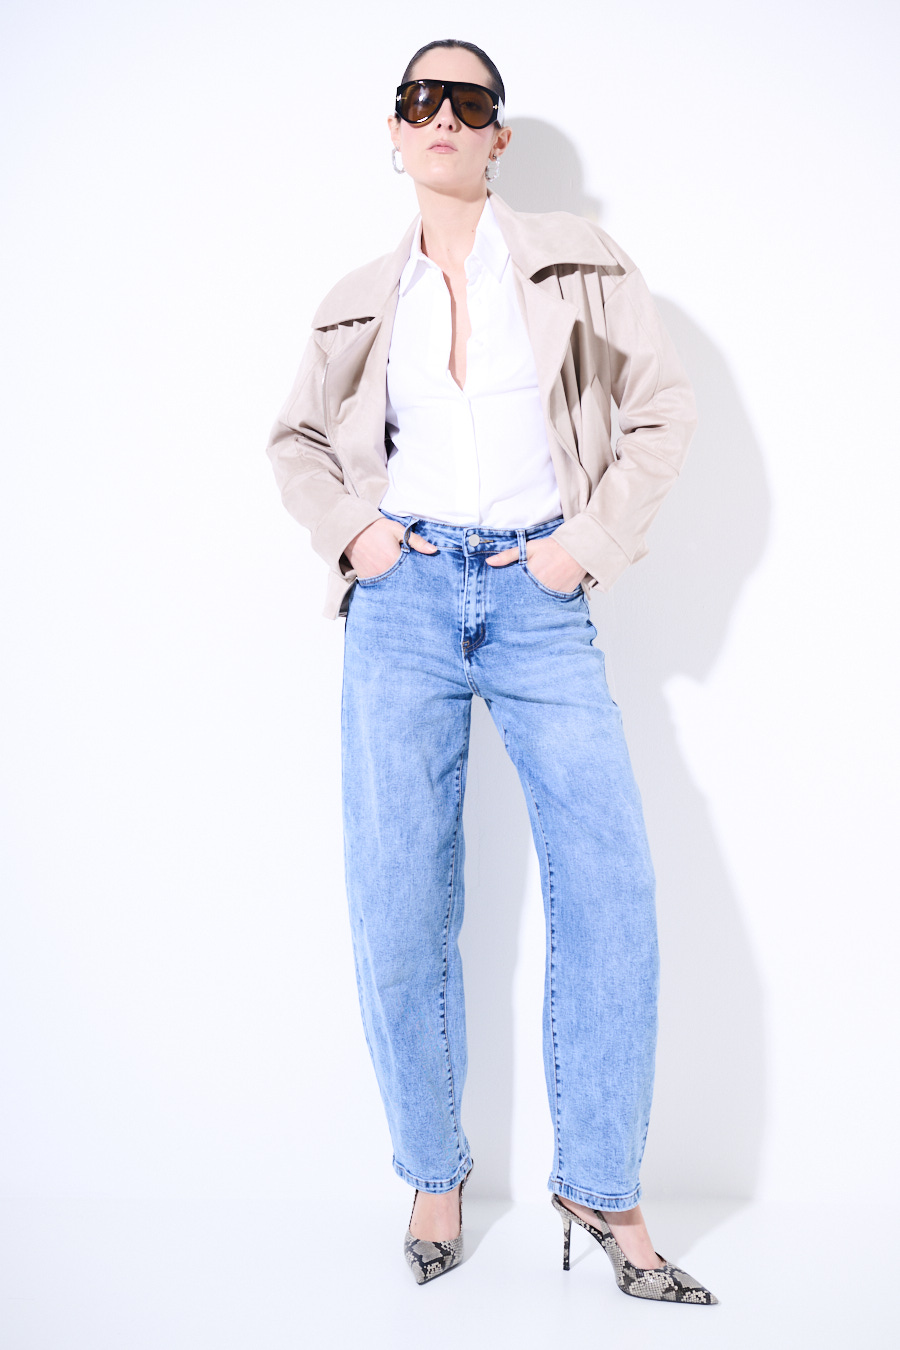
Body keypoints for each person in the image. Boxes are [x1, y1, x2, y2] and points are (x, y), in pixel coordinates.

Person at [266, 39, 718, 1304]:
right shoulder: (361, 296)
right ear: (395, 131)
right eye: (423, 100)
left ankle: (603, 1187)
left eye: (469, 102)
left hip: (537, 595)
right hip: (403, 601)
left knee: (612, 886)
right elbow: (297, 438)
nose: (445, 118)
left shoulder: (576, 260)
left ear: (497, 136)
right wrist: (357, 535)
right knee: (400, 899)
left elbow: (661, 408)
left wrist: (585, 547)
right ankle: (432, 1172)